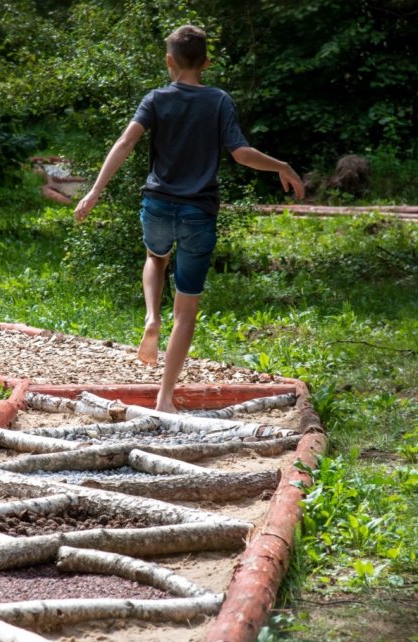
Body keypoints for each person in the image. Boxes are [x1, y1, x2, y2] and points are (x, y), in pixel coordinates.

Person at [74, 24, 305, 413]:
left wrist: (95, 191)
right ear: (207, 63)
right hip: (199, 213)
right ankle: (165, 396)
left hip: (158, 206)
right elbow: (240, 153)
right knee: (185, 311)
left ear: (169, 61)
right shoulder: (218, 100)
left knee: (154, 258)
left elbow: (126, 141)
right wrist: (283, 165)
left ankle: (150, 317)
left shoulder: (156, 99)